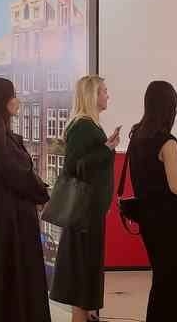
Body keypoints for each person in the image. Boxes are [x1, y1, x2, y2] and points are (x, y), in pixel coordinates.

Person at [0, 77, 51, 322]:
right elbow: (20, 176)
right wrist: (43, 194)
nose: (17, 100)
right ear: (2, 101)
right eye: (13, 95)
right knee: (14, 283)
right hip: (10, 225)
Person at [126, 80, 177, 321]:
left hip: (149, 219)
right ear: (169, 109)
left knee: (162, 279)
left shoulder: (136, 136)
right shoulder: (167, 141)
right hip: (172, 222)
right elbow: (176, 186)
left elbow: (152, 165)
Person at [50, 75, 119, 322]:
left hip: (90, 210)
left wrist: (105, 147)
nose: (108, 96)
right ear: (93, 95)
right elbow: (75, 166)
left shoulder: (90, 126)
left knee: (85, 270)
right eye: (104, 91)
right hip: (85, 213)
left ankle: (86, 315)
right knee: (82, 272)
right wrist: (106, 149)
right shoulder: (83, 126)